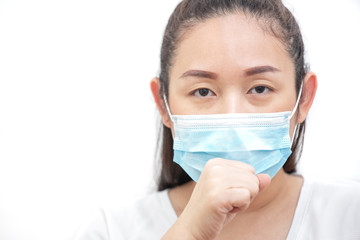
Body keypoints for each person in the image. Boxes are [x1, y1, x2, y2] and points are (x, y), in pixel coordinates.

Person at [74, 0, 360, 239]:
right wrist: (189, 231)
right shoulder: (112, 230)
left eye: (260, 88)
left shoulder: (350, 216)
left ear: (305, 98)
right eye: (203, 91)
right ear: (163, 104)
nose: (233, 115)